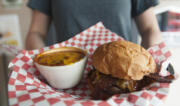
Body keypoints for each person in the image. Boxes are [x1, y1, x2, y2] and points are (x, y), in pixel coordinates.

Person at [26, 0, 162, 50]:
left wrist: (153, 61)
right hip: (66, 77)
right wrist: (41, 65)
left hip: (123, 77)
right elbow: (36, 32)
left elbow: (150, 29)